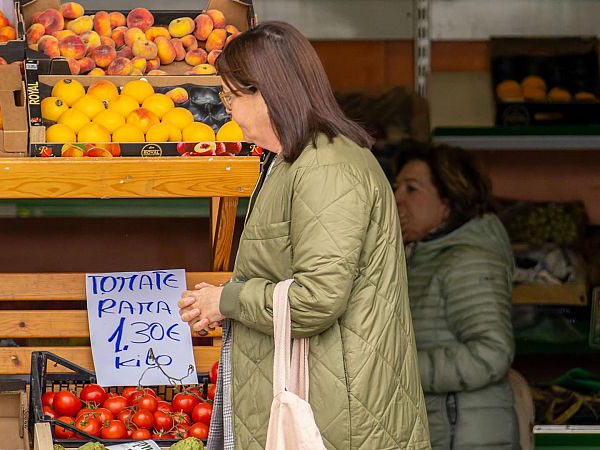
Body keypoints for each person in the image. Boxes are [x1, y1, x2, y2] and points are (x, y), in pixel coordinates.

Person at [178, 21, 431, 449]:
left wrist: (227, 299)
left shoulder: (325, 168)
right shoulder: (294, 161)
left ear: (266, 92)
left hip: (337, 418)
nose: (228, 111)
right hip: (326, 404)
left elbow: (316, 299)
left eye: (231, 96)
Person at [393, 143, 519, 450]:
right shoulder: (426, 258)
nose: (397, 199)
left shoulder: (469, 261)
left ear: (449, 202)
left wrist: (402, 368)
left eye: (412, 189)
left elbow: (492, 352)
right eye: (397, 188)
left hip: (469, 437)